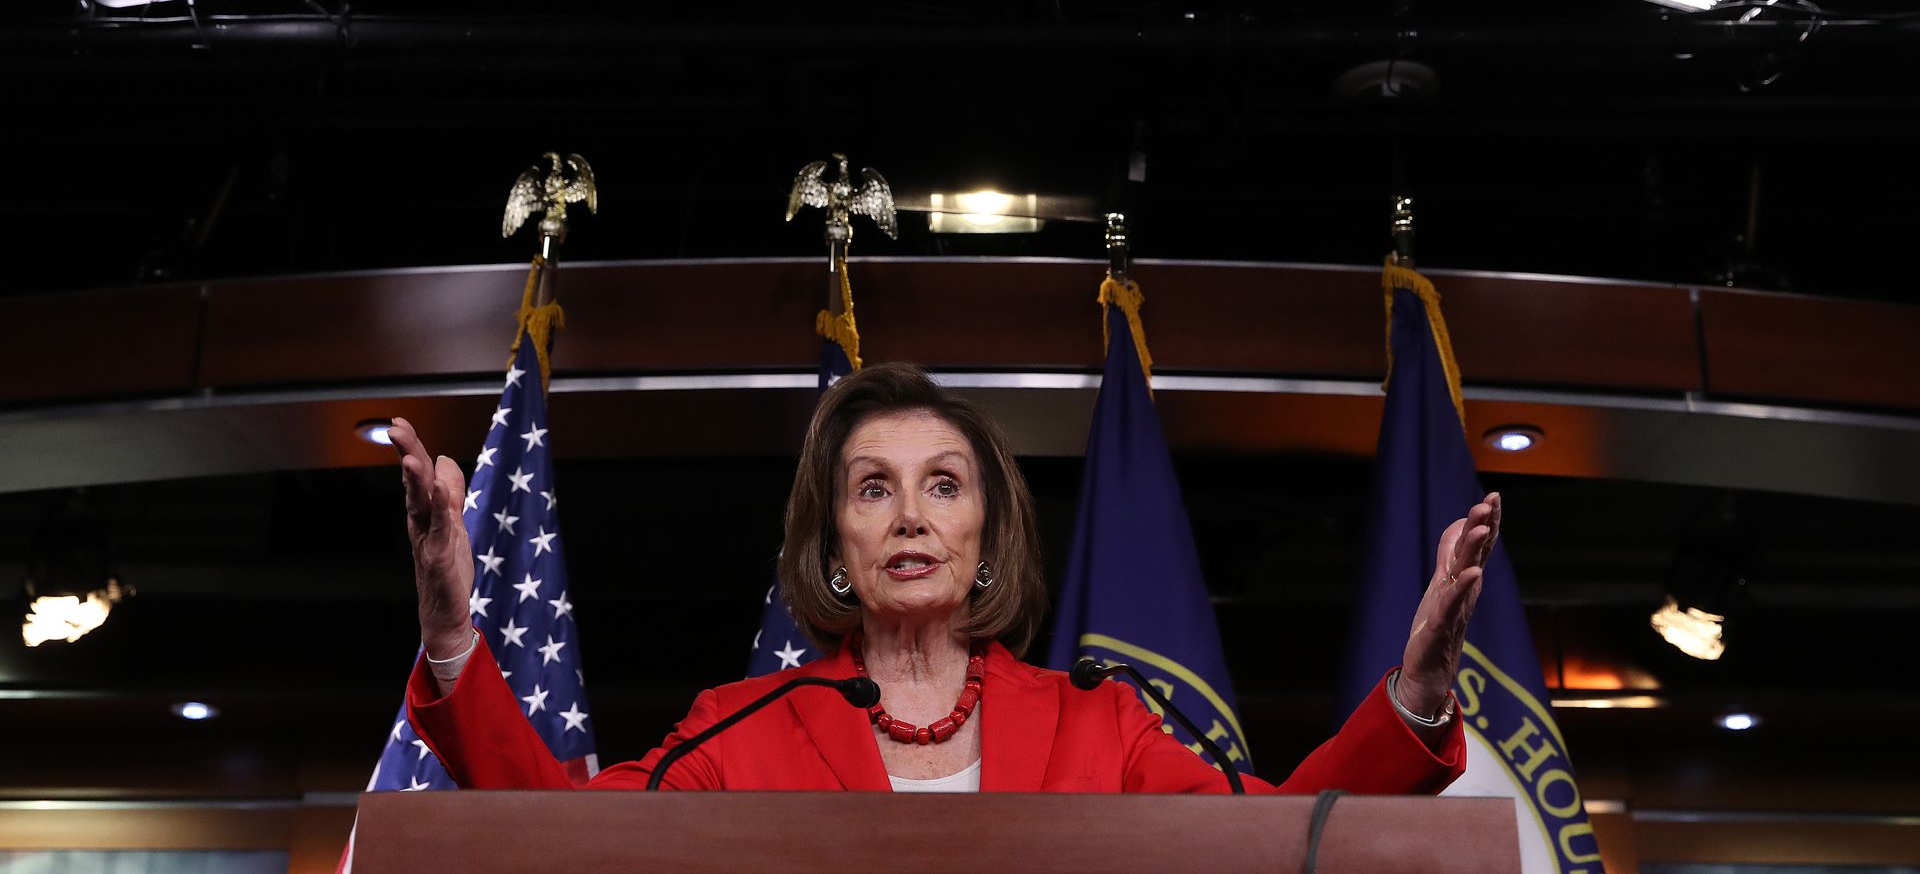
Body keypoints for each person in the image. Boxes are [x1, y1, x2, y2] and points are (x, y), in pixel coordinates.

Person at [390, 363, 1500, 793]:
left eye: (944, 486)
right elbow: (568, 844)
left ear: (987, 532)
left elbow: (1285, 842)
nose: (912, 515)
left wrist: (1418, 687)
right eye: (873, 488)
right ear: (834, 545)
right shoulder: (741, 729)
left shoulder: (1099, 727)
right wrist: (451, 631)